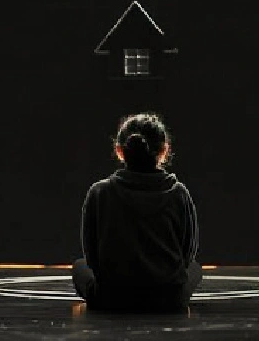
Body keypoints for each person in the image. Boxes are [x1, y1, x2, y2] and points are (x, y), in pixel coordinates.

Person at [72, 112, 202, 312]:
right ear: (164, 150)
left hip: (112, 299)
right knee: (195, 269)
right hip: (168, 300)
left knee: (79, 267)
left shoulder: (99, 192)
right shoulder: (179, 193)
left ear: (119, 151)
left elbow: (91, 256)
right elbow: (187, 253)